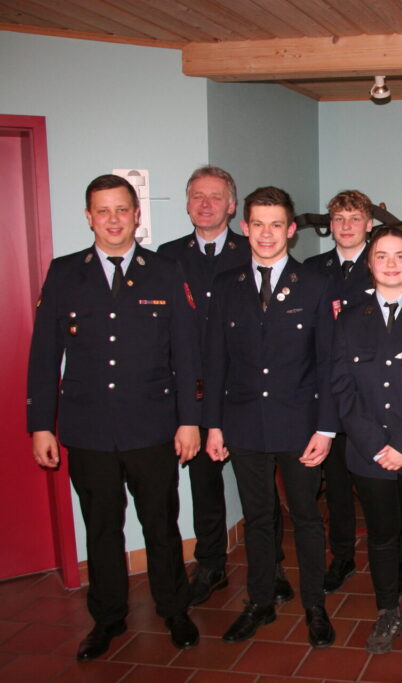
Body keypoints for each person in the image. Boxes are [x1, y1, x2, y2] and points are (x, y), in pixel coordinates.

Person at [27, 174, 200, 660]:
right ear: (89, 217)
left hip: (152, 425)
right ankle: (107, 617)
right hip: (89, 430)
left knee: (161, 524)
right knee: (102, 527)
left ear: (136, 214)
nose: (113, 219)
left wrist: (189, 419)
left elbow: (186, 353)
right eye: (103, 211)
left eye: (122, 209)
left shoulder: (164, 271)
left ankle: (174, 608)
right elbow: (44, 355)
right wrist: (41, 424)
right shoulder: (65, 273)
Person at [204, 186, 336, 648]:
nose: (266, 233)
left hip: (299, 424)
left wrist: (326, 428)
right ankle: (260, 600)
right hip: (242, 422)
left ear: (291, 230)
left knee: (306, 518)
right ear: (244, 227)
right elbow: (215, 360)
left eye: (276, 224)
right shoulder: (226, 285)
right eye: (258, 224)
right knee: (258, 518)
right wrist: (213, 424)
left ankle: (315, 605)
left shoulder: (315, 284)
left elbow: (328, 363)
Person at [157, 166, 292, 607]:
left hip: (250, 392)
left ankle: (271, 566)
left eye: (216, 197)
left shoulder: (252, 250)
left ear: (233, 207)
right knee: (204, 485)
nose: (206, 204)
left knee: (262, 489)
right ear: (187, 203)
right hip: (196, 392)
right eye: (197, 196)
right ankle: (211, 564)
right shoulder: (168, 257)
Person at [333, 227, 402, 655]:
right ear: (369, 263)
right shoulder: (349, 319)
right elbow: (342, 387)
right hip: (370, 453)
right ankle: (387, 610)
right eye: (382, 255)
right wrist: (375, 445)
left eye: (401, 256)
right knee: (381, 536)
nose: (392, 264)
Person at [305, 189, 375, 593]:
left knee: (379, 483)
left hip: (372, 398)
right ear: (330, 225)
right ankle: (343, 555)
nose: (346, 226)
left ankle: (390, 554)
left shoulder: (384, 263)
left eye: (354, 218)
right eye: (339, 218)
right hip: (328, 396)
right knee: (336, 488)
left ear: (369, 224)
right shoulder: (312, 270)